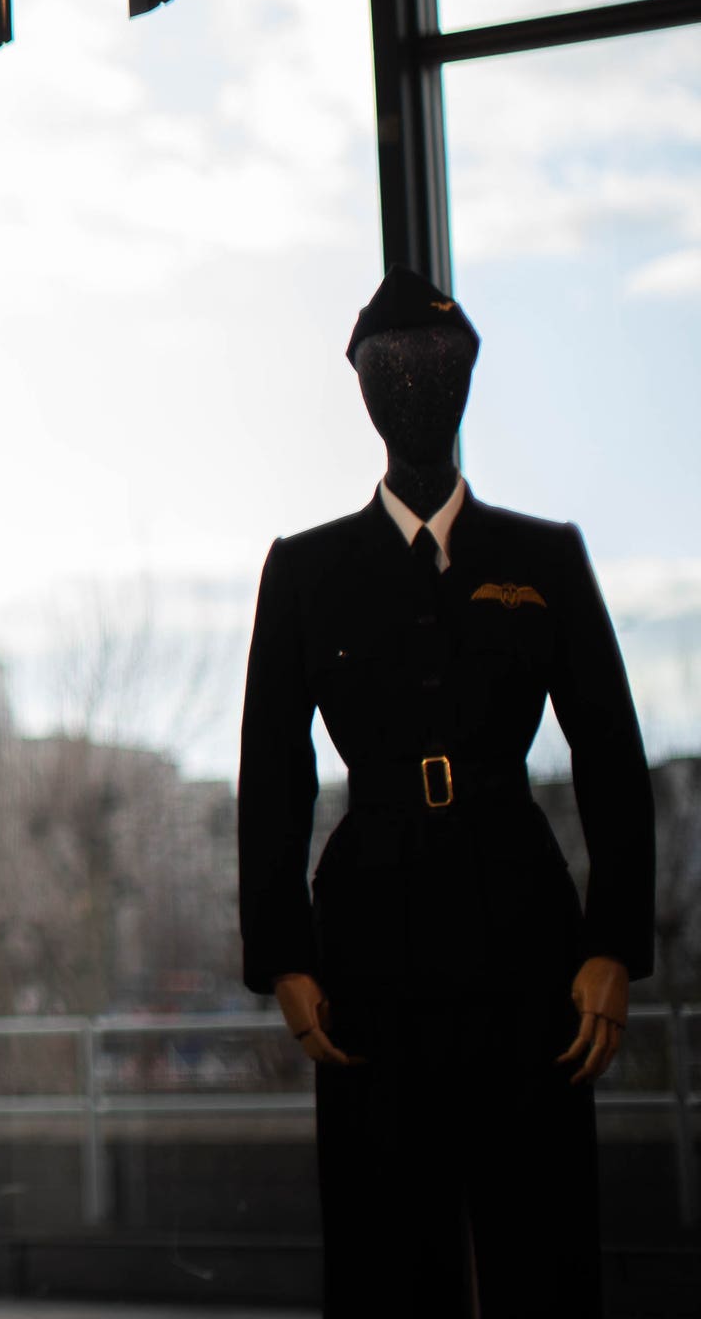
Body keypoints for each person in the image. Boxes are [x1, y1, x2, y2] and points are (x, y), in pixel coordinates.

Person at [237, 269, 651, 1317]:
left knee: (544, 1250)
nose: (416, 388)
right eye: (391, 370)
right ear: (362, 391)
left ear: (468, 381)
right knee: (386, 1261)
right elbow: (273, 774)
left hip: (526, 941)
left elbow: (610, 754)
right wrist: (281, 953)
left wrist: (614, 943)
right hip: (367, 949)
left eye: (438, 367)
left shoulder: (541, 558)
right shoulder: (305, 569)